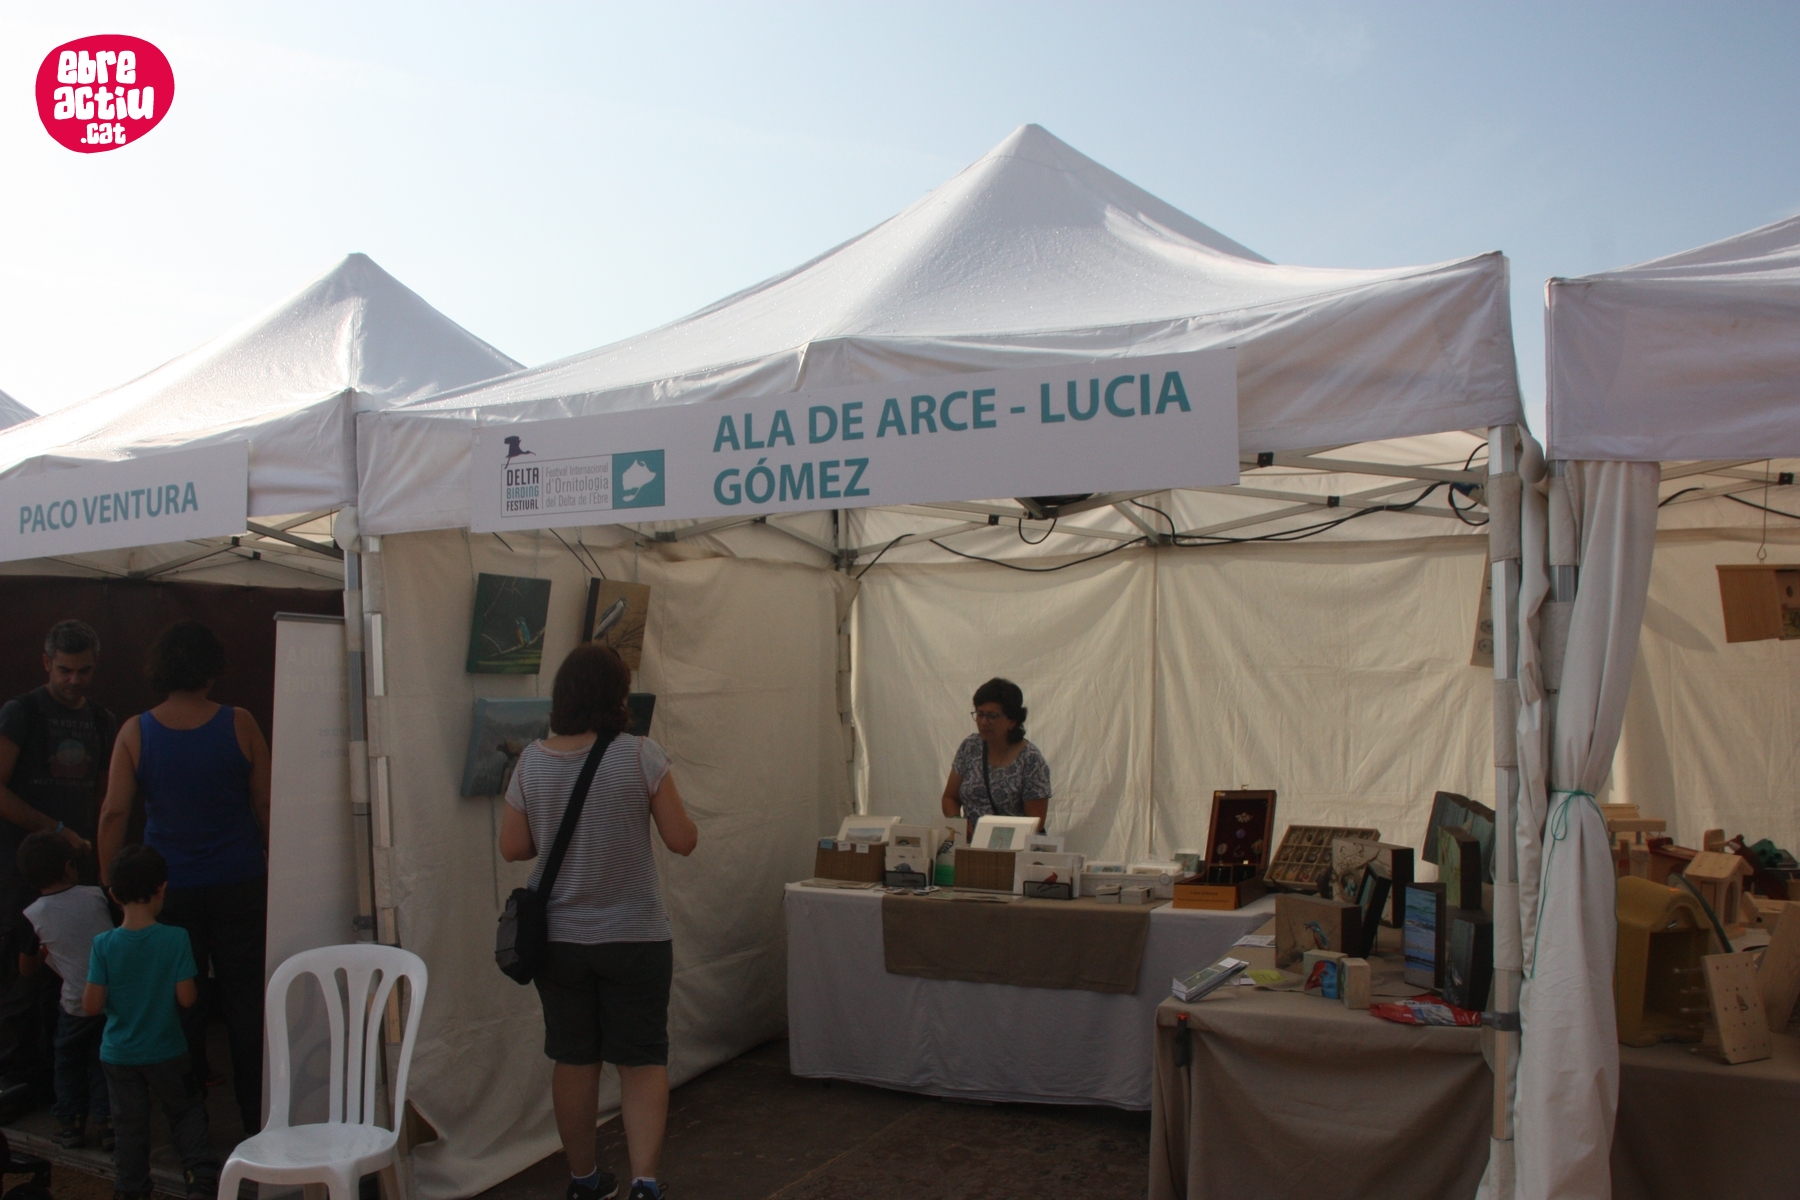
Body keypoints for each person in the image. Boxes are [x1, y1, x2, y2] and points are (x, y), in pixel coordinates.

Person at [499, 644, 698, 1200]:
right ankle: (644, 1184)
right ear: (617, 695)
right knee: (641, 1060)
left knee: (574, 1058)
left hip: (559, 942)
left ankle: (584, 1180)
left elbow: (513, 847)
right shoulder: (640, 755)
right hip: (635, 937)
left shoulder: (531, 761)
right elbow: (682, 841)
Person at [96, 621, 270, 1139]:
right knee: (245, 1002)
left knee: (180, 1004)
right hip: (240, 879)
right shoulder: (240, 723)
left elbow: (114, 813)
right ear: (212, 669)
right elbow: (266, 803)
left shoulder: (136, 731)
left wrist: (112, 883)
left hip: (166, 887)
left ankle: (190, 1129)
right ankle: (258, 1120)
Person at [0, 620, 116, 1113]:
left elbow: (109, 799)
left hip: (80, 874)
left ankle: (66, 1087)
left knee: (75, 979)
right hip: (24, 871)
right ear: (46, 663)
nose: (74, 680)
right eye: (65, 670)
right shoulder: (21, 712)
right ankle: (18, 1079)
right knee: (22, 977)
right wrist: (54, 830)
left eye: (83, 671)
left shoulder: (103, 720)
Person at [85, 844, 216, 1200]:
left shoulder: (103, 945)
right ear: (162, 889)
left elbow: (91, 1005)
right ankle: (199, 1179)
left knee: (128, 1125)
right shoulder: (176, 938)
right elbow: (187, 998)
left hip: (119, 1054)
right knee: (186, 1112)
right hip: (167, 1049)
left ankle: (131, 1189)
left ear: (113, 895)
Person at [17, 829, 115, 1150]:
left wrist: (47, 951)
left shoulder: (33, 915)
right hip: (111, 999)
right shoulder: (98, 896)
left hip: (75, 1004)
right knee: (103, 1060)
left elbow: (25, 968)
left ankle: (71, 1123)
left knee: (68, 1061)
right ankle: (108, 1123)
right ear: (69, 867)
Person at [939, 677, 1052, 836]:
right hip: (971, 845)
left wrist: (995, 836)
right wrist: (957, 822)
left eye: (992, 716)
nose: (984, 722)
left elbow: (1036, 822)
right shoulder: (970, 747)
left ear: (1012, 721)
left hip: (1013, 847)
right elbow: (950, 798)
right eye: (980, 714)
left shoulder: (1031, 760)